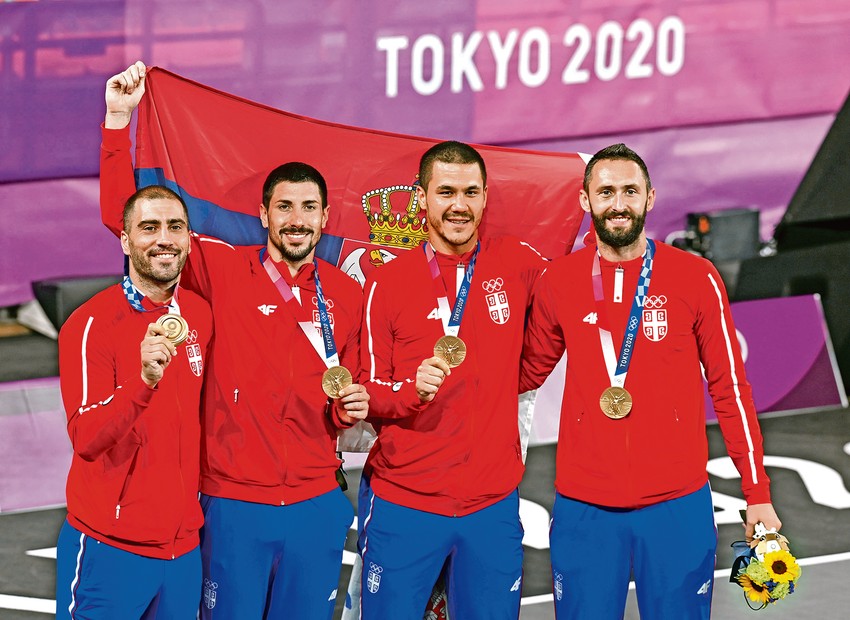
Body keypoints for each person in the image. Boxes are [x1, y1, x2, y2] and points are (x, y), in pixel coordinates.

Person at [100, 61, 369, 619]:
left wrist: (350, 408)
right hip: (232, 503)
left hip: (317, 502)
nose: (297, 220)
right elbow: (126, 223)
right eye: (285, 207)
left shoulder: (345, 292)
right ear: (264, 214)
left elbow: (352, 394)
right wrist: (116, 124)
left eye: (310, 208)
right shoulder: (219, 268)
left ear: (324, 220)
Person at [520, 143, 782, 619]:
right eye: (605, 192)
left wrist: (757, 492)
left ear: (650, 198)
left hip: (676, 504)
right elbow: (523, 374)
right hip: (585, 507)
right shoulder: (558, 280)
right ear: (585, 201)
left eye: (629, 191)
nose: (617, 203)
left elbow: (731, 391)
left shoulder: (694, 277)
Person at [358, 141, 546, 619]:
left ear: (486, 197)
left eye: (470, 192)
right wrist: (411, 392)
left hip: (491, 504)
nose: (459, 205)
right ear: (422, 198)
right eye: (445, 192)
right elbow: (369, 390)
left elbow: (577, 302)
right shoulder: (387, 281)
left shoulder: (518, 263)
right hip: (407, 504)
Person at [56, 185, 213, 618]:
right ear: (125, 240)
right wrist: (143, 382)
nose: (164, 238)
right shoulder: (91, 324)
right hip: (111, 546)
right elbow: (86, 437)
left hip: (182, 549)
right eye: (149, 227)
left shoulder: (199, 314)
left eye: (175, 227)